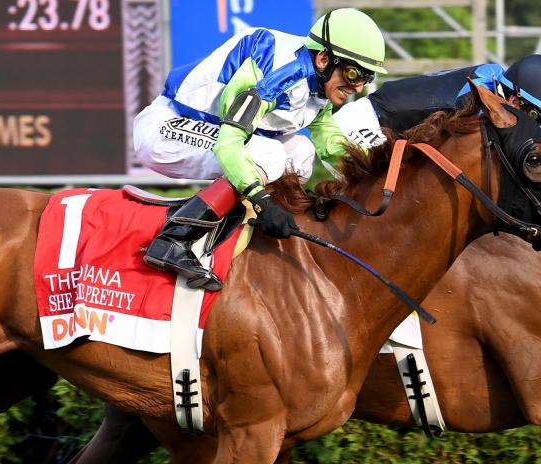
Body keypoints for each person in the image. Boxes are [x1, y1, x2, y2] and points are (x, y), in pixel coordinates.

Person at [132, 8, 387, 291]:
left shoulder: (319, 83)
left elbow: (329, 143)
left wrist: (379, 168)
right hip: (165, 129)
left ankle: (246, 236)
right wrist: (262, 201)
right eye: (353, 73)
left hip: (214, 133)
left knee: (301, 152)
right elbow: (229, 144)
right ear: (324, 59)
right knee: (269, 154)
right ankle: (174, 238)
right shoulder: (277, 73)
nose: (357, 87)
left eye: (366, 78)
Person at [332, 54, 541, 167]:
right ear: (515, 101)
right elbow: (522, 133)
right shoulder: (477, 97)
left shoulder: (498, 77)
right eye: (537, 115)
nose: (540, 122)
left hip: (393, 131)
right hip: (362, 126)